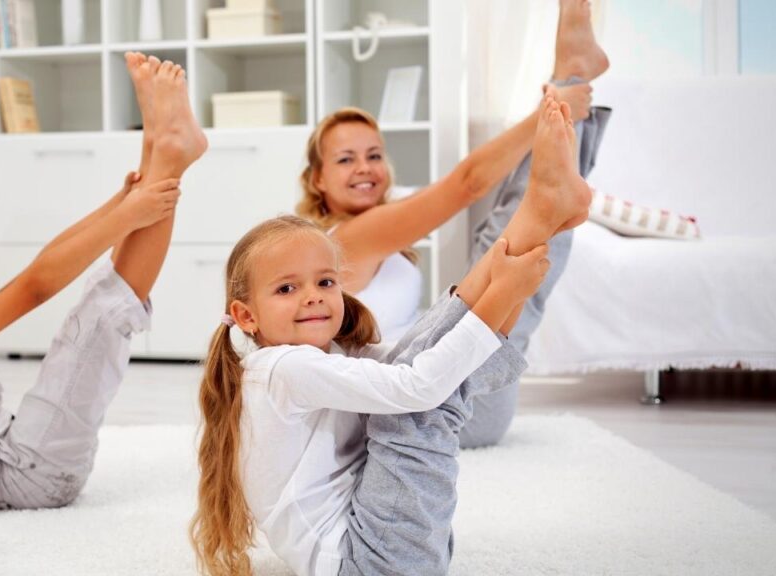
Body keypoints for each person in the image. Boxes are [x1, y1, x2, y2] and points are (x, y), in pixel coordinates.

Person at [190, 93, 592, 575]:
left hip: (389, 547)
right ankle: (538, 215)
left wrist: (503, 296)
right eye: (287, 288)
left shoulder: (309, 352)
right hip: (372, 561)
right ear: (246, 315)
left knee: (420, 368)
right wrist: (500, 299)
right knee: (416, 399)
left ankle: (540, 214)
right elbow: (417, 387)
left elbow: (412, 355)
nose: (313, 296)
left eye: (325, 282)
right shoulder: (285, 368)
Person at [0, 53, 207, 511]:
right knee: (99, 318)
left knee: (100, 300)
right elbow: (35, 285)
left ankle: (157, 144)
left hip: (24, 458)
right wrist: (128, 214)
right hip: (23, 476)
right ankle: (170, 159)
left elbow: (43, 262)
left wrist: (123, 202)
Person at [296, 0, 611, 448]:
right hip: (441, 408)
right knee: (518, 258)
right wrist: (552, 104)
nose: (364, 168)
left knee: (500, 244)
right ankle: (570, 78)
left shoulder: (368, 231)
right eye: (346, 159)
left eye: (374, 155)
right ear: (318, 179)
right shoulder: (346, 237)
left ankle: (572, 79)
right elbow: (468, 184)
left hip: (436, 389)